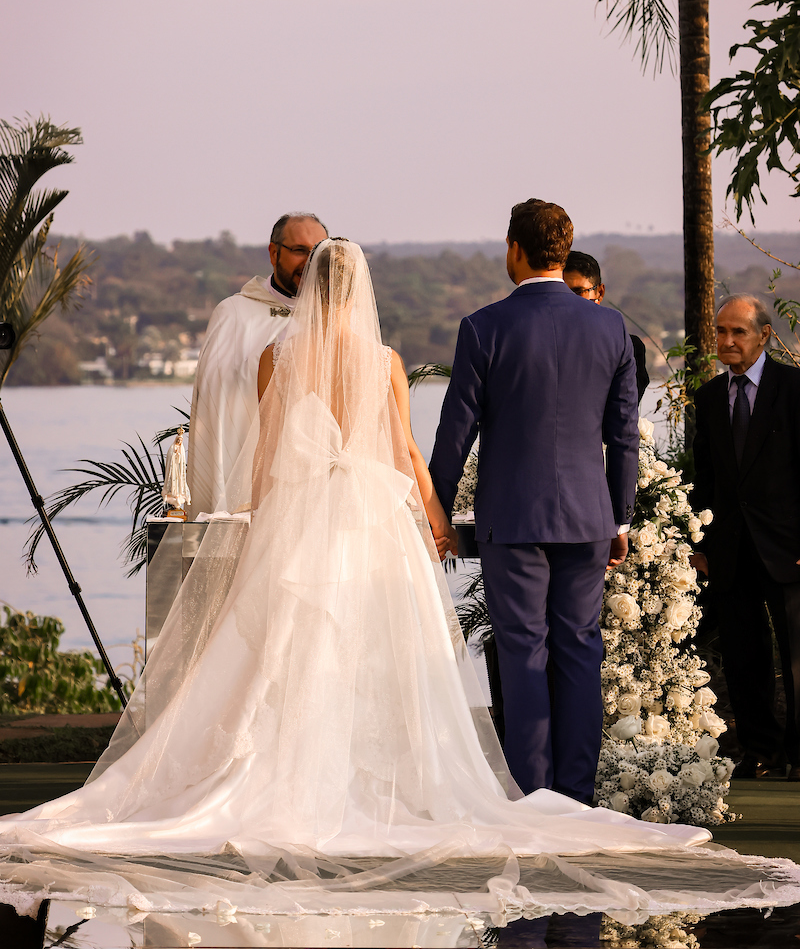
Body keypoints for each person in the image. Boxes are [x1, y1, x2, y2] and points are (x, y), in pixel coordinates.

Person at [0, 238, 732, 921]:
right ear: (360, 292)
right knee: (373, 653)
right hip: (371, 517)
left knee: (291, 651)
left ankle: (290, 776)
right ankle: (373, 782)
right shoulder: (382, 358)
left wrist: (257, 523)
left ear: (311, 287)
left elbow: (261, 459)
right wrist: (438, 519)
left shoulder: (274, 354)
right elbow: (406, 448)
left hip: (301, 513)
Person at [429, 200, 639, 805]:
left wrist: (435, 513)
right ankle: (576, 797)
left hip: (513, 519)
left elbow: (454, 435)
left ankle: (532, 795)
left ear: (514, 250)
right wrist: (619, 516)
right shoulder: (610, 326)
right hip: (589, 518)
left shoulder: (483, 327)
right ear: (563, 252)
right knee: (579, 647)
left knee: (523, 651)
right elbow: (623, 433)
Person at [691, 294, 800, 781]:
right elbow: (706, 475)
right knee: (743, 656)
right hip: (729, 549)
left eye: (738, 332)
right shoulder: (712, 396)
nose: (727, 341)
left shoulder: (794, 388)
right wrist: (701, 543)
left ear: (764, 335)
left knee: (798, 656)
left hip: (788, 549)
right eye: (720, 332)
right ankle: (761, 753)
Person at [187, 211, 327, 516]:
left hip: (321, 496)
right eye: (300, 250)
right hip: (249, 494)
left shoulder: (337, 320)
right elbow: (216, 416)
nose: (310, 261)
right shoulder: (234, 315)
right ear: (274, 253)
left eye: (318, 252)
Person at [563, 250, 650, 403]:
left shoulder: (629, 349)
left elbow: (626, 407)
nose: (570, 301)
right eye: (563, 293)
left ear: (599, 292)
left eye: (578, 292)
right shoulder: (542, 346)